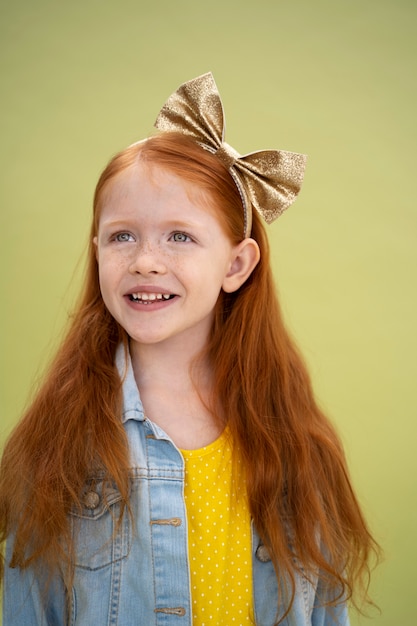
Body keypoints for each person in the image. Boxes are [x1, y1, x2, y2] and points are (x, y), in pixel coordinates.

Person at [0, 73, 379, 625]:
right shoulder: (60, 441)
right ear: (98, 250)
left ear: (236, 264)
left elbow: (324, 607)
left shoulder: (292, 436)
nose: (145, 261)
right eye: (121, 235)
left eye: (179, 236)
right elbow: (27, 605)